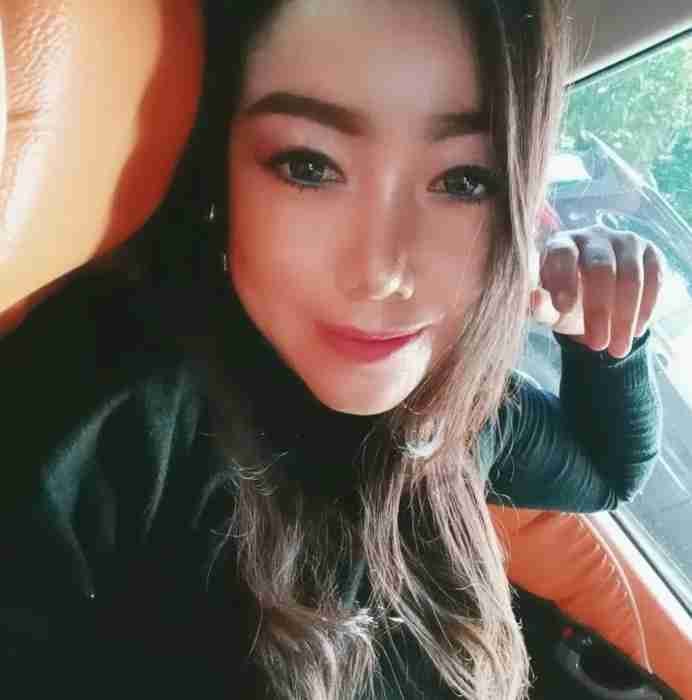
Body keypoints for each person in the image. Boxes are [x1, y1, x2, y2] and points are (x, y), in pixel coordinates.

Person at [1, 1, 664, 699]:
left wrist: (605, 338)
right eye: (309, 166)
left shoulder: (455, 404)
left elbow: (606, 472)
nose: (382, 273)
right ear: (218, 166)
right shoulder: (110, 413)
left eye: (464, 181)